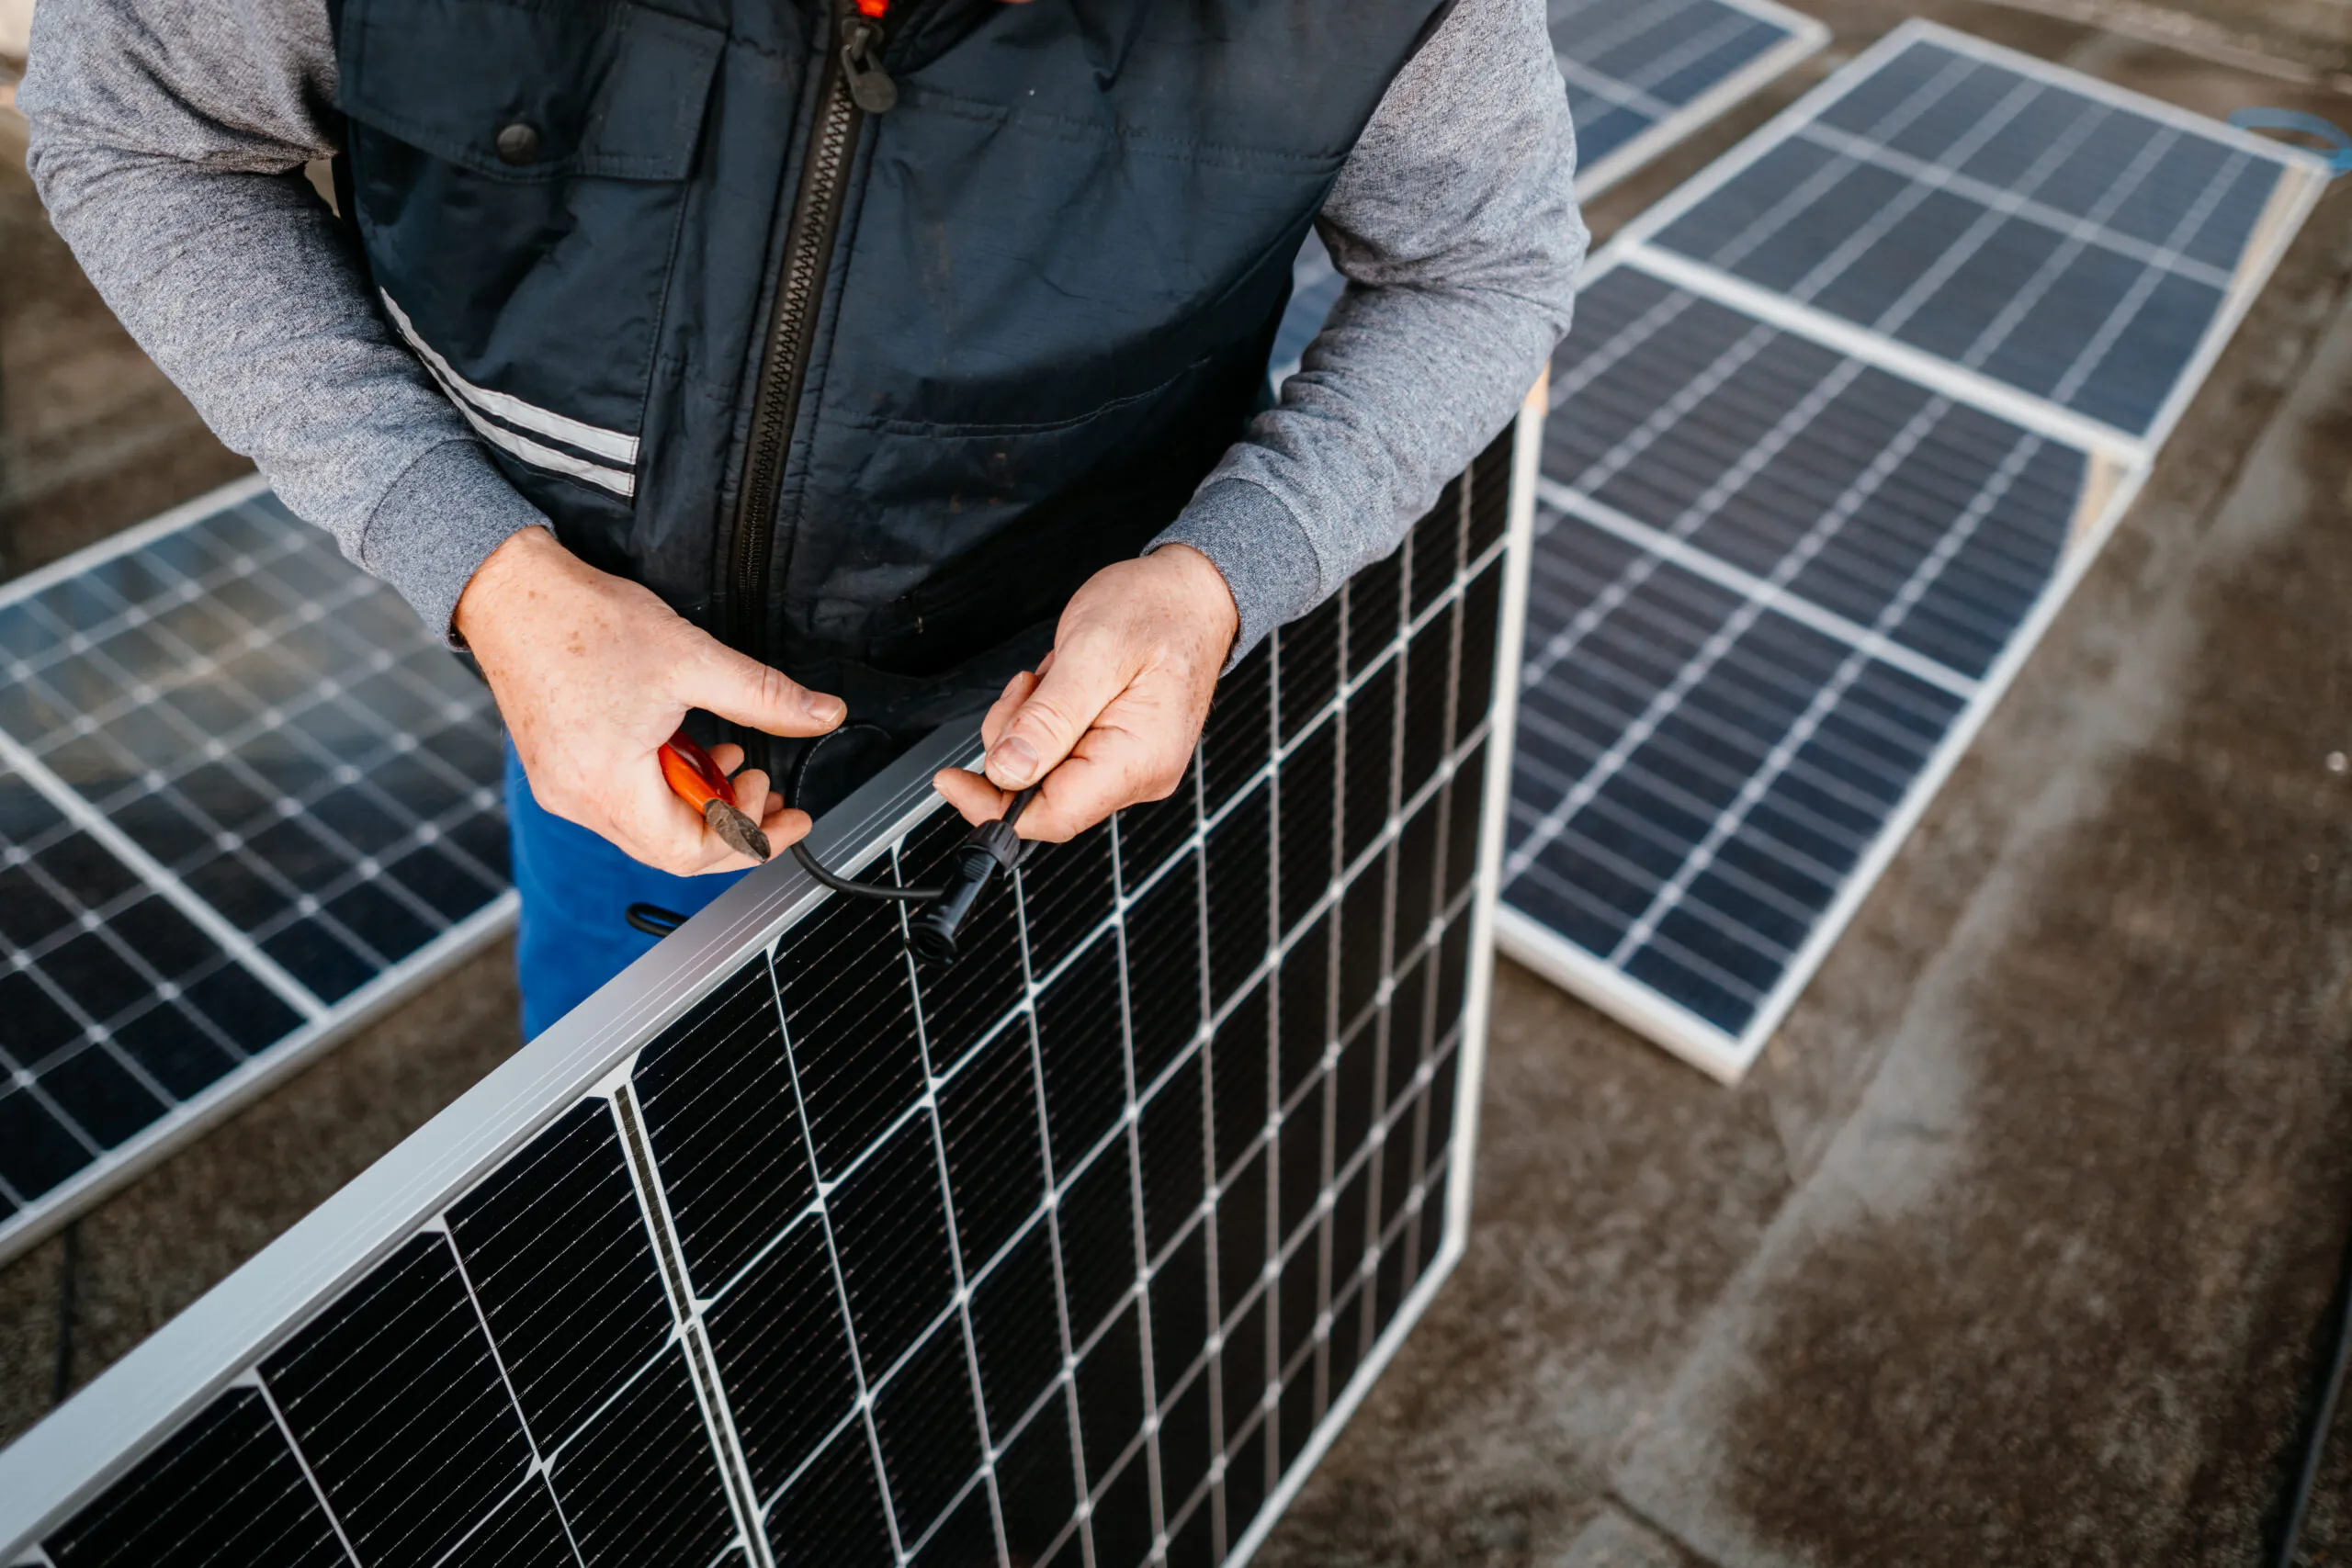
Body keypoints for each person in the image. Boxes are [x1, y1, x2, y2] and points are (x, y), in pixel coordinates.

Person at [18, 0, 1584, 1038]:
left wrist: (1219, 578)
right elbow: (135, 127)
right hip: (615, 745)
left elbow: (1484, 260)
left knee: (1027, 1251)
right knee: (635, 1239)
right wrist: (486, 573)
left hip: (1072, 755)